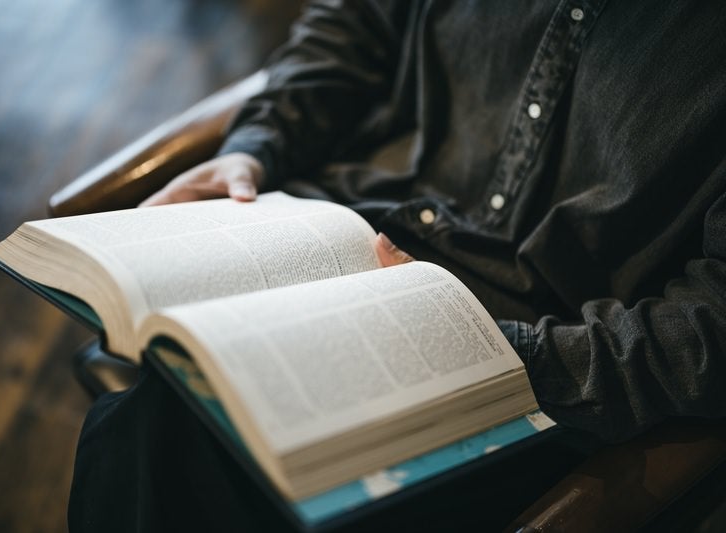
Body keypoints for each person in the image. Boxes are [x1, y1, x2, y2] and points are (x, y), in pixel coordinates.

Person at [69, 1, 726, 531]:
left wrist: (513, 354)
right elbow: (351, 26)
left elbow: (711, 328)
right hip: (343, 226)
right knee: (157, 431)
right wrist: (258, 145)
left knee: (157, 442)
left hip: (537, 355)